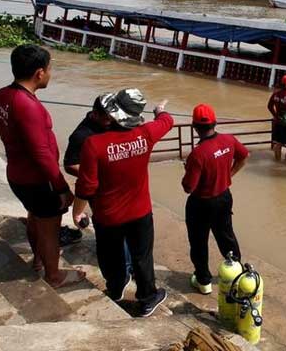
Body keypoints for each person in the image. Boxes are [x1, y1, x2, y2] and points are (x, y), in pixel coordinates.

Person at [0, 44, 85, 288]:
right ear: (39, 73)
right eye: (50, 69)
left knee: (35, 218)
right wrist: (62, 186)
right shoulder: (27, 106)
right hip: (38, 179)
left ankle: (39, 261)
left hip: (18, 174)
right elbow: (40, 152)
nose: (51, 74)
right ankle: (54, 275)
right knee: (49, 229)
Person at [72, 89, 173, 317]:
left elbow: (86, 187)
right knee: (142, 256)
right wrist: (160, 111)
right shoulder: (146, 134)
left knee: (110, 255)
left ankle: (115, 288)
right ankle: (147, 298)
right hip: (140, 212)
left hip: (107, 216)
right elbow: (167, 121)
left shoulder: (93, 145)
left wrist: (77, 212)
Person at [182, 104, 249, 295]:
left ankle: (203, 281)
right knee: (226, 235)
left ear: (194, 127)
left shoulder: (197, 154)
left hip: (200, 204)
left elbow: (188, 187)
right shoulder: (228, 140)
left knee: (198, 241)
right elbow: (244, 156)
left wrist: (187, 169)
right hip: (224, 198)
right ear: (215, 122)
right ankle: (236, 274)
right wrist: (229, 175)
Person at [64, 93, 133, 276]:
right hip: (100, 189)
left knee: (127, 226)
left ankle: (125, 261)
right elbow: (70, 165)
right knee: (114, 228)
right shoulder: (81, 136)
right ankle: (123, 268)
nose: (111, 122)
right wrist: (96, 174)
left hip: (121, 186)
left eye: (113, 118)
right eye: (107, 119)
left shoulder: (112, 122)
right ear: (95, 114)